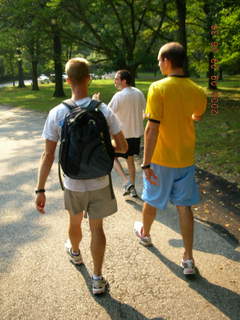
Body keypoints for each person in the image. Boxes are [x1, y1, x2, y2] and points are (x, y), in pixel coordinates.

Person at [35, 57, 128, 295]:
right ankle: (97, 279)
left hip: (73, 182)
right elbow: (123, 147)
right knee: (97, 229)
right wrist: (104, 152)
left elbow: (48, 155)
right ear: (89, 78)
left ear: (67, 81)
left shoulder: (57, 113)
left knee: (74, 222)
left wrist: (40, 190)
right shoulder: (103, 110)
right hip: (99, 180)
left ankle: (75, 253)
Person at [134, 42, 207, 276]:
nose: (158, 64)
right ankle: (188, 258)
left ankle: (144, 233)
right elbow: (197, 115)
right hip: (185, 159)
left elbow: (151, 129)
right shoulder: (197, 89)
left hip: (161, 159)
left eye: (158, 61)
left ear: (166, 61)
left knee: (151, 199)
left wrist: (145, 163)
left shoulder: (157, 88)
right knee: (184, 208)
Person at [108, 70, 146, 197]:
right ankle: (132, 187)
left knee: (110, 155)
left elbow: (107, 114)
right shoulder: (139, 93)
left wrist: (96, 101)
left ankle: (126, 182)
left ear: (124, 81)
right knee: (130, 161)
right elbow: (145, 112)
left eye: (117, 79)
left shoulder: (118, 96)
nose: (115, 81)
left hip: (122, 135)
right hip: (135, 135)